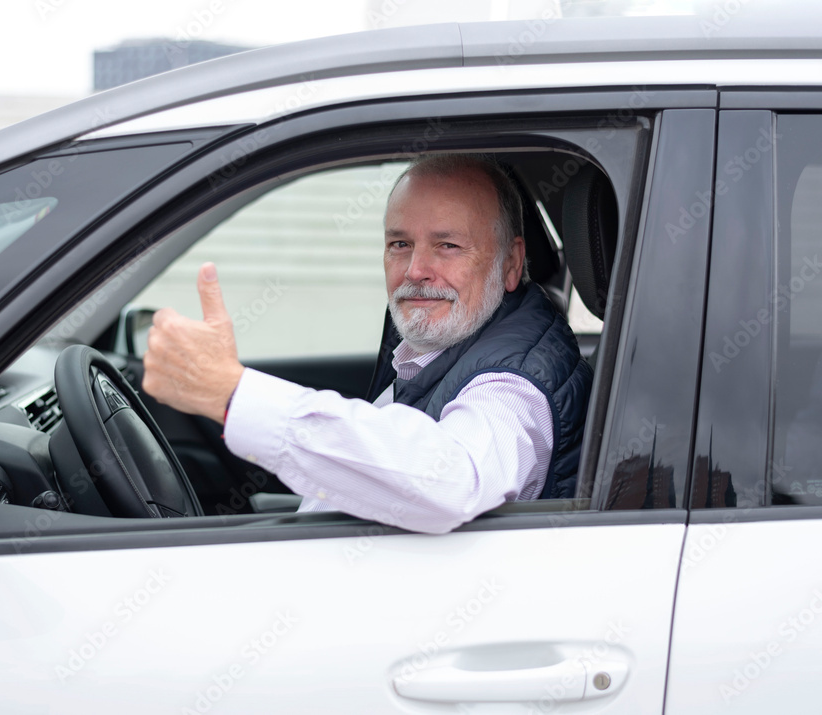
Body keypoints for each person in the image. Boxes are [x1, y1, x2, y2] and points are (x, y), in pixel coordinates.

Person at [142, 154, 592, 534]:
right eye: (400, 243)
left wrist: (232, 394)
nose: (416, 269)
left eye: (448, 245)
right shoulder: (438, 347)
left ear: (511, 262)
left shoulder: (513, 383)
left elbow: (454, 478)